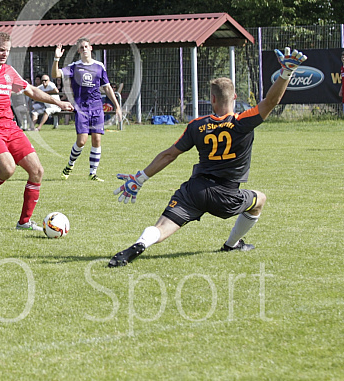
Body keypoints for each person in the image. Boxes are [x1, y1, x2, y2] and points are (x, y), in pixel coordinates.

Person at [108, 47, 307, 267]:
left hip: (195, 191)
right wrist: (286, 73)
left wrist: (139, 179)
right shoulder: (243, 121)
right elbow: (271, 101)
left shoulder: (197, 125)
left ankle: (140, 244)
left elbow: (169, 155)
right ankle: (232, 244)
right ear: (235, 97)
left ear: (212, 99)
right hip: (226, 196)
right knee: (259, 200)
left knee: (163, 226)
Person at [0, 31, 73, 231]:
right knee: (8, 169)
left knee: (37, 171)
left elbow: (32, 91)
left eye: (7, 51)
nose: (4, 54)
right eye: (1, 50)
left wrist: (57, 101)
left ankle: (24, 222)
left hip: (10, 125)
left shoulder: (9, 71)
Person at [52, 38, 122, 182]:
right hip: (81, 107)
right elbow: (55, 75)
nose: (84, 49)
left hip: (96, 107)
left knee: (97, 139)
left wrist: (117, 106)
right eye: (81, 47)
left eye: (86, 46)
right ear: (79, 51)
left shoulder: (99, 66)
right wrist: (56, 59)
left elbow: (107, 87)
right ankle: (70, 165)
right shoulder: (74, 66)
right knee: (82, 141)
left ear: (90, 48)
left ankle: (93, 173)